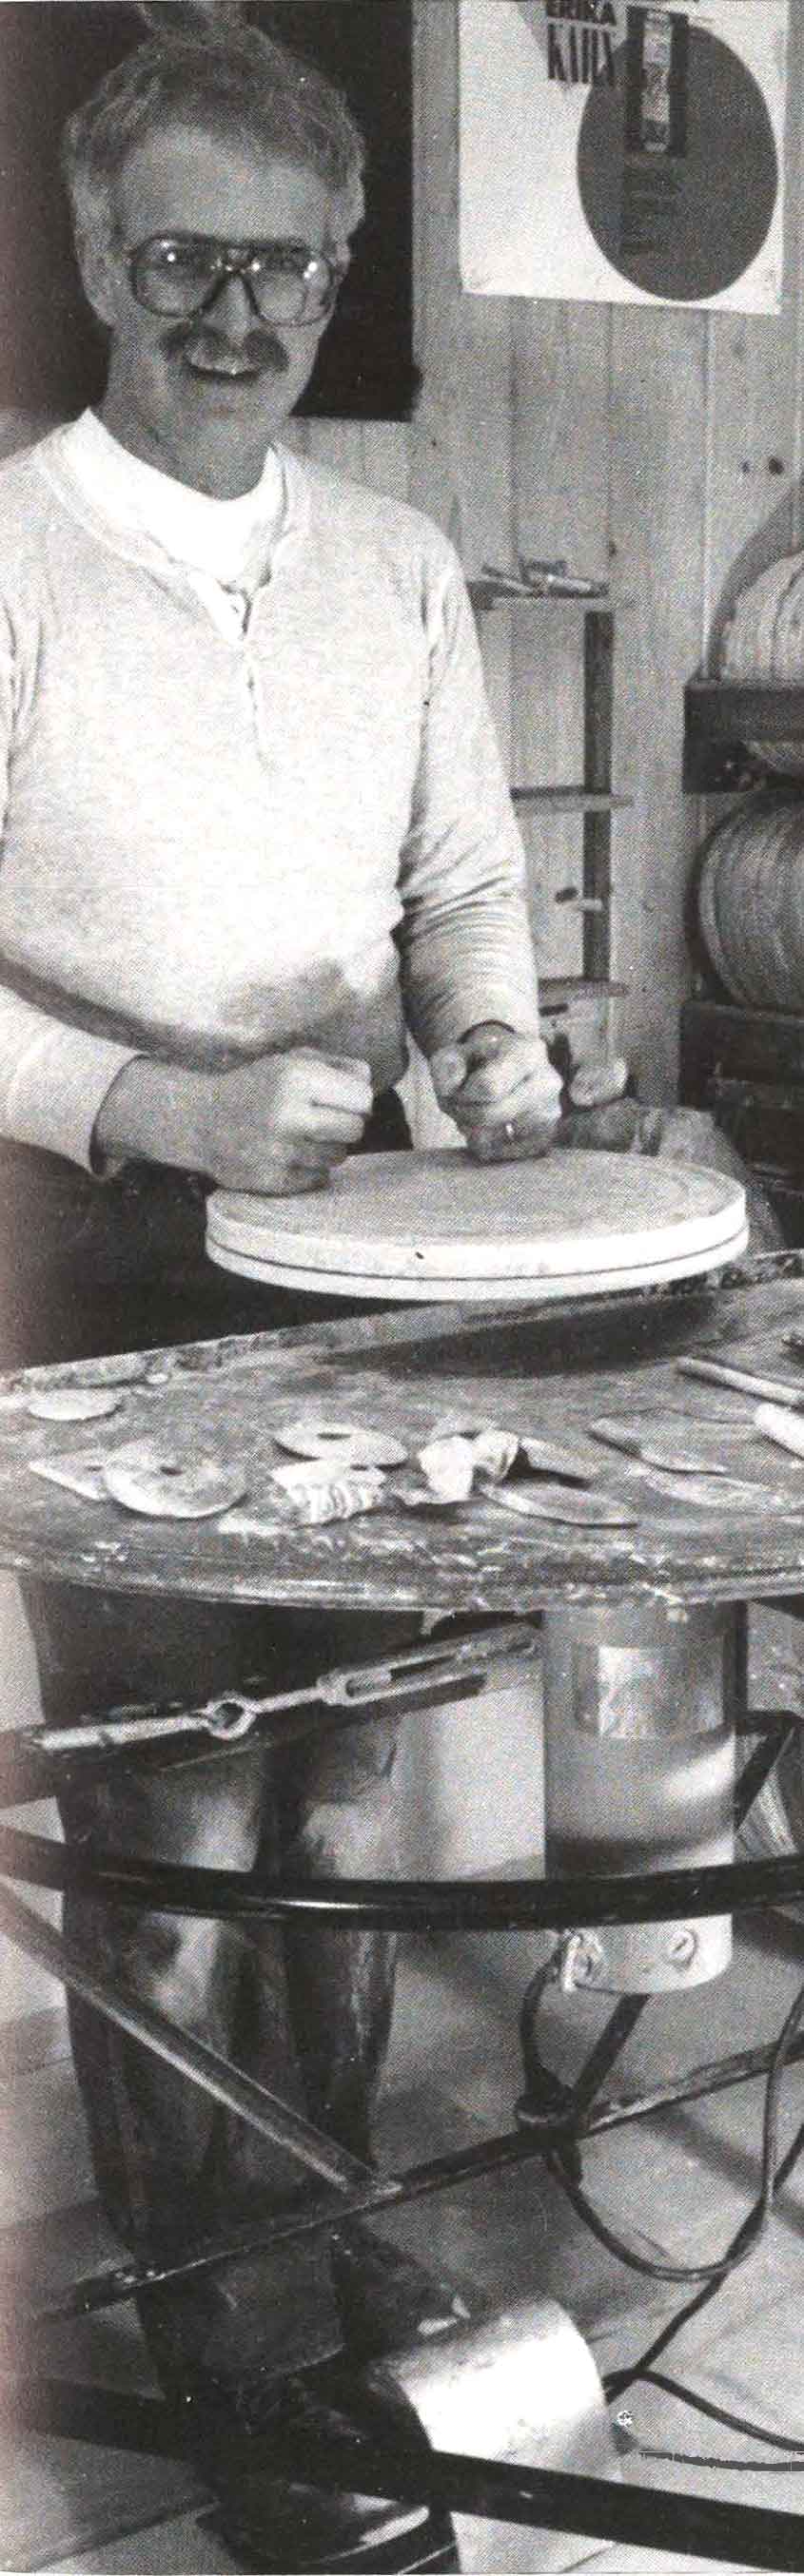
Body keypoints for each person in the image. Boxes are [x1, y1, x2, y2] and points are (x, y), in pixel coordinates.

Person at [0, 7, 566, 2566]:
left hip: (359, 1267)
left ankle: (312, 2289)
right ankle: (241, 2371)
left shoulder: (402, 565)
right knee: (179, 1825)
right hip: (103, 1268)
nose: (241, 316)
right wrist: (160, 1109)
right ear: (102, 259)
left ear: (341, 282)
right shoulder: (11, 557)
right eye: (190, 261)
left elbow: (462, 893)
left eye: (290, 270)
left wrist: (500, 1070)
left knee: (343, 1802)